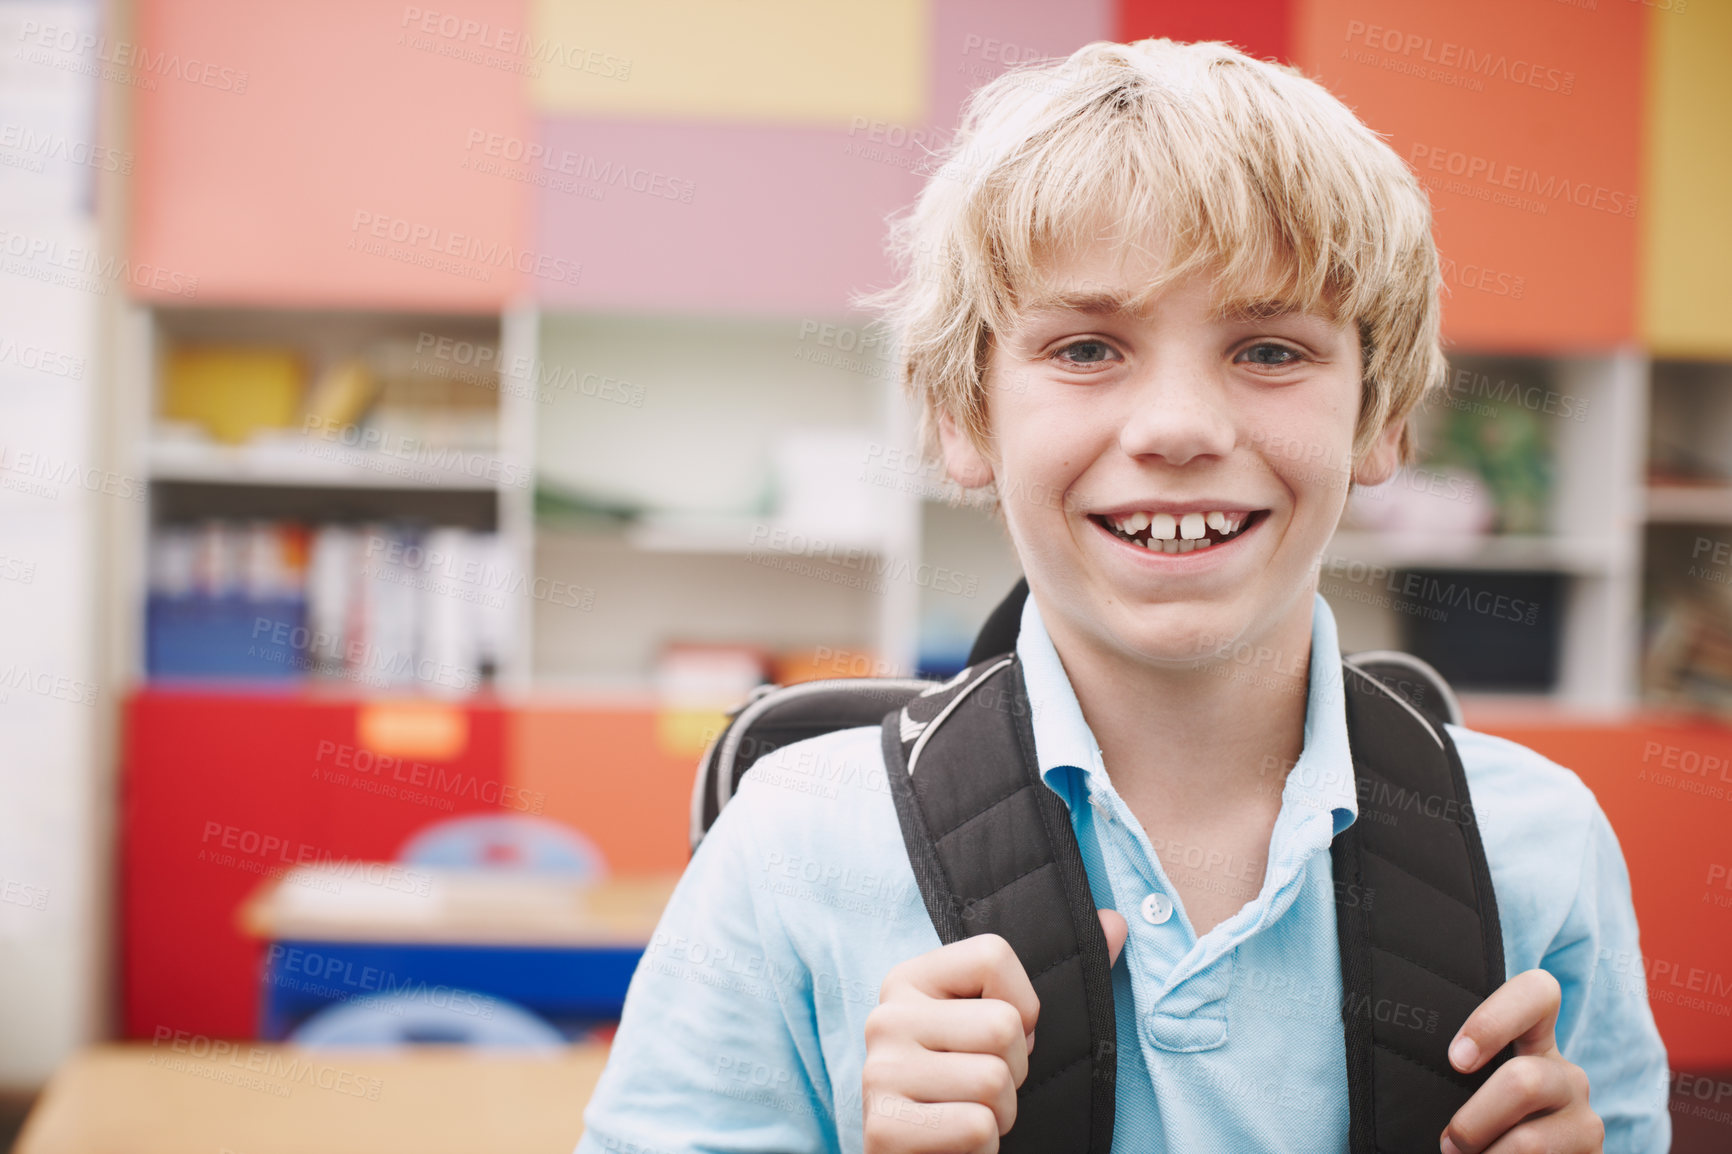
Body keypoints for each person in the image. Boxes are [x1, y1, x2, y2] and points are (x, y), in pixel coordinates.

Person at [574, 38, 1669, 1154]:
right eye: (1089, 346)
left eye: (1272, 349)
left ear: (1379, 418)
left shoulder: (1537, 845)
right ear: (964, 415)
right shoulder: (792, 841)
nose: (1179, 427)